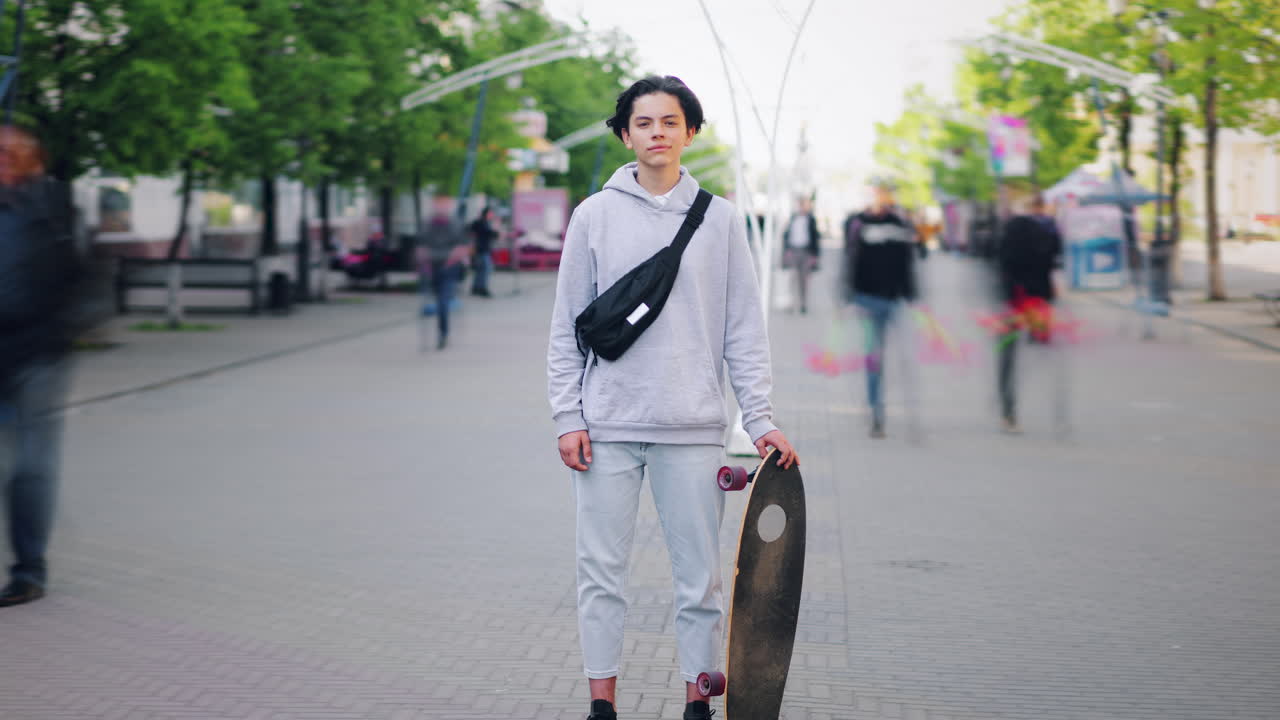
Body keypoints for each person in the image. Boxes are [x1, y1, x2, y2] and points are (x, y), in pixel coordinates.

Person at [546, 75, 797, 720]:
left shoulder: (719, 219)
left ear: (689, 131)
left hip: (691, 427)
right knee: (600, 572)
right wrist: (567, 416)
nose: (656, 133)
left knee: (702, 582)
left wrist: (760, 419)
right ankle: (602, 702)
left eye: (669, 121)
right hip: (605, 427)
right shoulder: (593, 215)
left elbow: (743, 327)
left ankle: (696, 701)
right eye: (643, 123)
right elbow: (565, 325)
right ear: (625, 133)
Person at [0, 126, 82, 607]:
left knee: (30, 465)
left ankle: (30, 570)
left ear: (29, 162)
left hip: (38, 352)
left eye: (10, 155)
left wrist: (63, 328)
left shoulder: (52, 210)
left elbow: (82, 274)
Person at [842, 178, 918, 439]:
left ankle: (903, 410)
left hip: (893, 299)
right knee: (874, 358)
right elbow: (850, 260)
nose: (881, 199)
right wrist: (848, 296)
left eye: (885, 195)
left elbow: (907, 262)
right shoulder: (858, 224)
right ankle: (877, 413)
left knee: (902, 357)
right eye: (877, 194)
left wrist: (910, 293)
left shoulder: (899, 224)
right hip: (866, 299)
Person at [996, 194, 1063, 434]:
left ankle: (1008, 410)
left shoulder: (1011, 229)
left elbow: (1002, 263)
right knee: (1043, 354)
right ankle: (1056, 414)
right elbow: (1054, 260)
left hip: (1013, 301)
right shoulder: (1049, 230)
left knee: (1008, 357)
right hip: (1037, 302)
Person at [417, 208, 470, 351]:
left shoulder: (455, 225)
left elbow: (462, 246)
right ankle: (442, 332)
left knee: (443, 302)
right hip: (433, 268)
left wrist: (455, 259)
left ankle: (443, 333)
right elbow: (421, 246)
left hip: (449, 269)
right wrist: (423, 260)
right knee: (438, 300)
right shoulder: (428, 225)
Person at [782, 195, 820, 314]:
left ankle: (803, 304)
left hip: (806, 252)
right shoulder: (793, 218)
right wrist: (786, 250)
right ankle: (791, 304)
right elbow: (787, 234)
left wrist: (815, 255)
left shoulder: (811, 219)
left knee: (804, 279)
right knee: (792, 277)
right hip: (793, 250)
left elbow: (815, 238)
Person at [468, 206, 499, 297]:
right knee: (485, 269)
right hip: (482, 249)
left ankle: (476, 287)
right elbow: (490, 233)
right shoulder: (482, 223)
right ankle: (482, 288)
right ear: (487, 214)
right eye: (491, 213)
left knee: (480, 269)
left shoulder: (481, 222)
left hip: (481, 249)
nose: (492, 215)